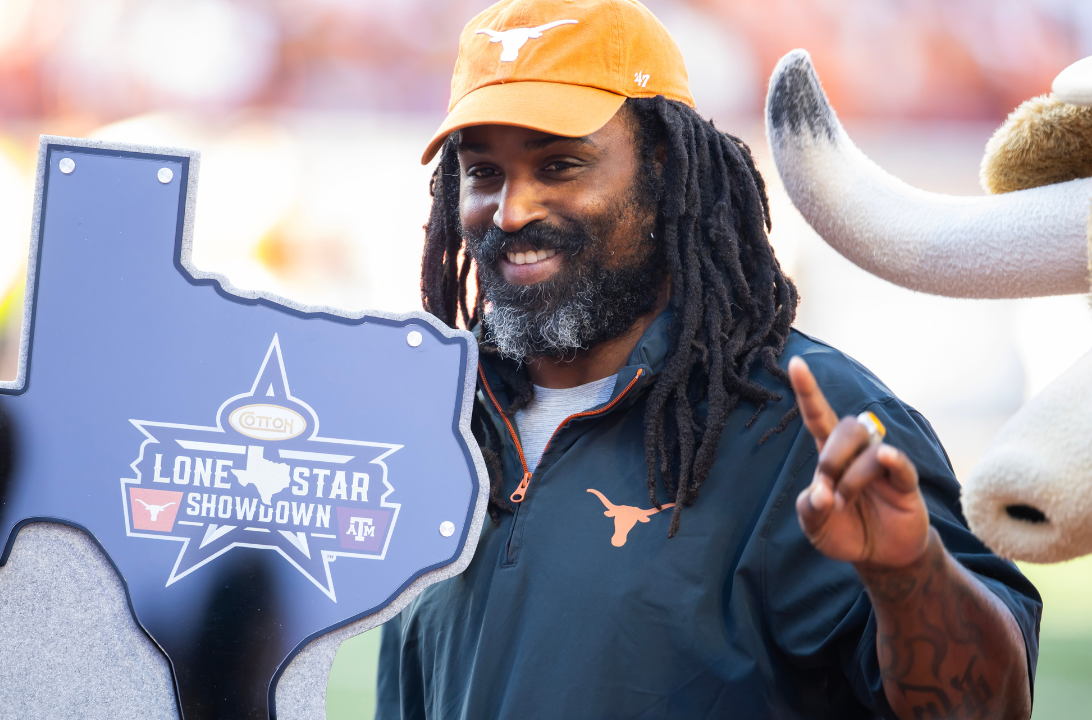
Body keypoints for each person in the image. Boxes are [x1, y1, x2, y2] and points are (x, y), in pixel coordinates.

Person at [376, 1, 1041, 718]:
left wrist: (909, 575)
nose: (510, 211)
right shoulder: (446, 430)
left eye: (559, 164)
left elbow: (988, 710)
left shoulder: (810, 428)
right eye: (484, 172)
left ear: (664, 169)